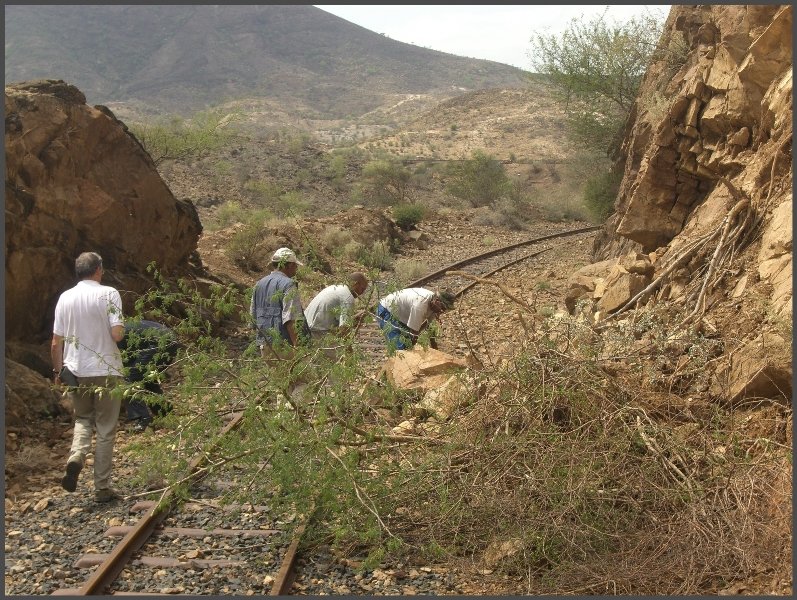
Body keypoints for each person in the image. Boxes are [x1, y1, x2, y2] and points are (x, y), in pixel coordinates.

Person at [51, 251, 125, 503]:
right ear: (99, 269)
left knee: (83, 419)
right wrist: (121, 328)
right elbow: (116, 335)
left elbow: (55, 342)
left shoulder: (64, 298)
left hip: (75, 370)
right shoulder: (109, 293)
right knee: (105, 429)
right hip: (106, 369)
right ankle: (102, 488)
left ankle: (76, 456)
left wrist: (57, 371)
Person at [117, 319, 180, 433]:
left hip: (159, 342)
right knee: (146, 379)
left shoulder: (114, 336)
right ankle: (164, 412)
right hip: (169, 339)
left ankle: (142, 420)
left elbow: (124, 363)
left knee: (130, 378)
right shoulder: (120, 327)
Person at [250, 247, 310, 359]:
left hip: (265, 347)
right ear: (289, 266)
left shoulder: (258, 284)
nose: (296, 270)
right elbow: (291, 319)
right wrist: (298, 348)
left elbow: (253, 319)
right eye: (295, 266)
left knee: (277, 376)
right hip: (285, 347)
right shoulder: (289, 284)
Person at [376, 287, 456, 352]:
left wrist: (434, 347)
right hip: (387, 310)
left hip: (402, 315)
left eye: (445, 309)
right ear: (437, 300)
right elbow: (414, 333)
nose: (442, 311)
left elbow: (429, 325)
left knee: (406, 346)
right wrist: (411, 347)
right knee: (400, 349)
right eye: (442, 307)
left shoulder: (434, 306)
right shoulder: (420, 305)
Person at [305, 272, 369, 342]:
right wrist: (349, 350)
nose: (362, 293)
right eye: (362, 289)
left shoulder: (335, 287)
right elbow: (344, 330)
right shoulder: (348, 297)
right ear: (355, 284)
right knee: (339, 350)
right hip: (316, 332)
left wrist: (354, 319)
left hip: (305, 327)